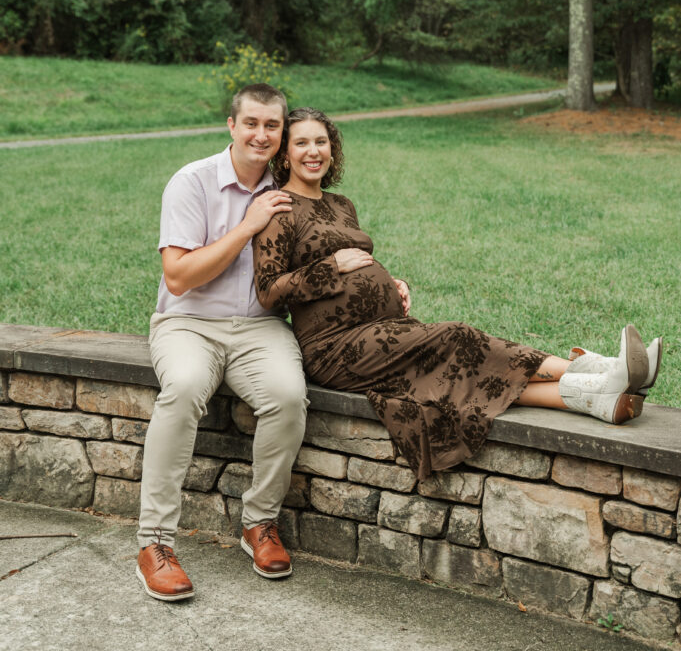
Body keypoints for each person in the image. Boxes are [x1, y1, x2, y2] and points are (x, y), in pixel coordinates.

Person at [252, 107, 663, 482]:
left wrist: (393, 284)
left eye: (321, 141)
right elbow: (269, 291)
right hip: (335, 347)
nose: (313, 151)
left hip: (382, 328)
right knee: (458, 338)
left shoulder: (341, 204)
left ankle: (594, 398)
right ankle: (597, 369)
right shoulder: (279, 209)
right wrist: (332, 267)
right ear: (284, 154)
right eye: (301, 143)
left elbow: (359, 262)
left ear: (332, 148)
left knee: (465, 378)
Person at [136, 84, 308, 602]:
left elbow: (327, 253)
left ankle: (259, 524)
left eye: (272, 126)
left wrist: (382, 283)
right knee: (184, 387)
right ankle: (154, 543)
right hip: (189, 322)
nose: (261, 134)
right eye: (251, 123)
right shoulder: (193, 182)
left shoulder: (290, 186)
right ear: (231, 125)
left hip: (260, 329)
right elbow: (180, 277)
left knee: (287, 398)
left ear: (281, 133)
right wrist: (248, 225)